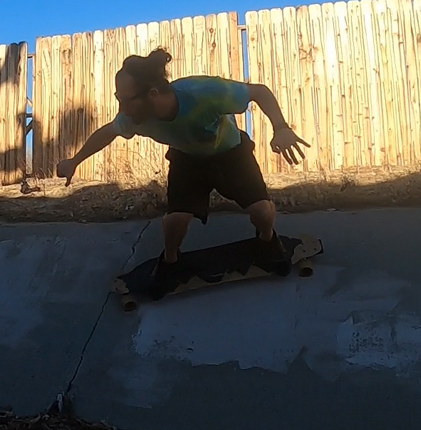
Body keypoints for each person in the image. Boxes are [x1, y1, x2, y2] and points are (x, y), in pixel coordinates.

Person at [56, 47, 310, 296]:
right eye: (117, 98)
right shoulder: (134, 117)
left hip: (231, 155)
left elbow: (259, 92)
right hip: (187, 160)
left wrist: (281, 128)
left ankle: (267, 240)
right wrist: (75, 161)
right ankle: (169, 261)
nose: (121, 107)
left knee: (262, 211)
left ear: (152, 93)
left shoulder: (204, 92)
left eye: (125, 99)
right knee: (175, 221)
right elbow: (107, 133)